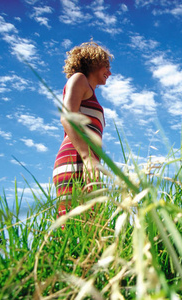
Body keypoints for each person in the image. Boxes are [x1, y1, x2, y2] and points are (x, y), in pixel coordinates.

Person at [52, 41, 113, 224]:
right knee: (71, 225)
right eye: (106, 66)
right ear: (93, 62)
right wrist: (87, 158)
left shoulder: (91, 94)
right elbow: (67, 117)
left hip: (88, 160)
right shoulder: (79, 79)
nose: (109, 73)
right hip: (76, 157)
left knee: (93, 226)